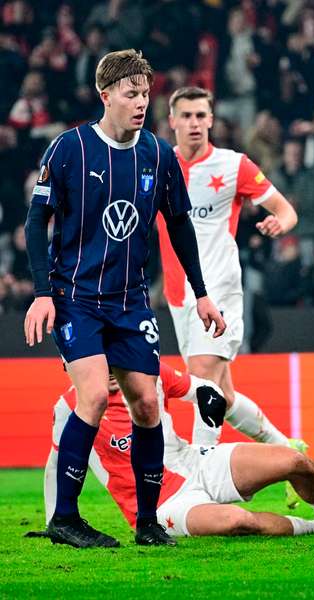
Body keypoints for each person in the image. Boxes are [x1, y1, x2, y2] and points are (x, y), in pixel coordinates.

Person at [23, 50, 225, 548]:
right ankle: (65, 520)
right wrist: (42, 294)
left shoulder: (158, 155)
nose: (140, 103)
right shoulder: (69, 149)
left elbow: (179, 224)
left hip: (130, 303)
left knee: (147, 407)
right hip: (76, 298)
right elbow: (35, 221)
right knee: (92, 396)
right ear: (105, 95)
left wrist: (201, 293)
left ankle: (148, 523)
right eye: (131, 94)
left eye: (145, 93)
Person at [42, 363, 314, 539]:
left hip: (195, 462)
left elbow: (202, 388)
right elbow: (57, 463)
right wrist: (53, 521)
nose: (110, 369)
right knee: (238, 521)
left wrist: (209, 399)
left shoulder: (148, 372)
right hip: (160, 506)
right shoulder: (69, 409)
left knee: (296, 461)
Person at [160, 86, 301, 449]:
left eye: (201, 115)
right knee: (224, 395)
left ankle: (202, 478)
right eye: (186, 116)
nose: (194, 123)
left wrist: (279, 224)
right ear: (172, 120)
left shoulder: (233, 164)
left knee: (202, 378)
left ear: (211, 120)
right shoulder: (157, 164)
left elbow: (286, 210)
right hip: (178, 295)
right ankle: (287, 452)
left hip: (219, 286)